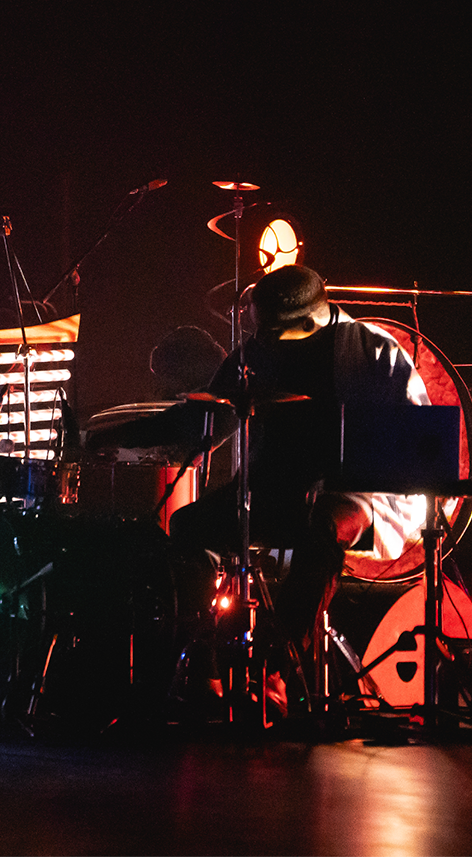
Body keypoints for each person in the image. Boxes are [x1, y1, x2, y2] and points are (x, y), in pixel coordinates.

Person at [170, 265, 429, 698]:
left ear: (308, 322)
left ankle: (275, 669)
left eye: (271, 332)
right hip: (272, 489)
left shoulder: (372, 351)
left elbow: (417, 440)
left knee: (321, 529)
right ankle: (204, 671)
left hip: (354, 490)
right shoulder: (258, 351)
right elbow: (205, 418)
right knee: (188, 526)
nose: (261, 341)